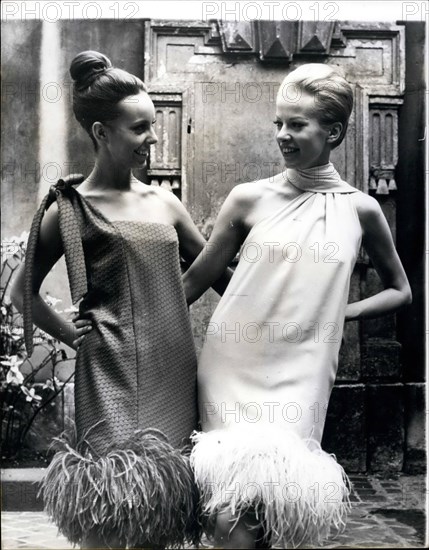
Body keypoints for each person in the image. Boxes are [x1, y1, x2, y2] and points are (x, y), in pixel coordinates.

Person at [182, 63, 412, 548]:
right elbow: (197, 278)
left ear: (335, 132)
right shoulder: (248, 199)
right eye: (279, 124)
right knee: (230, 502)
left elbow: (400, 290)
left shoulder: (361, 208)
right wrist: (131, 320)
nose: (283, 135)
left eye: (297, 124)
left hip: (305, 365)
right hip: (233, 362)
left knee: (280, 498)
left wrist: (343, 313)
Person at [11, 50, 231, 549]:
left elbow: (217, 272)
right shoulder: (69, 207)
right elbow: (19, 292)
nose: (152, 139)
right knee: (107, 507)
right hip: (106, 366)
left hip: (172, 367)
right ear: (100, 133)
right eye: (139, 129)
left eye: (152, 126)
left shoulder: (164, 203)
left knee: (160, 506)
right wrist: (72, 335)